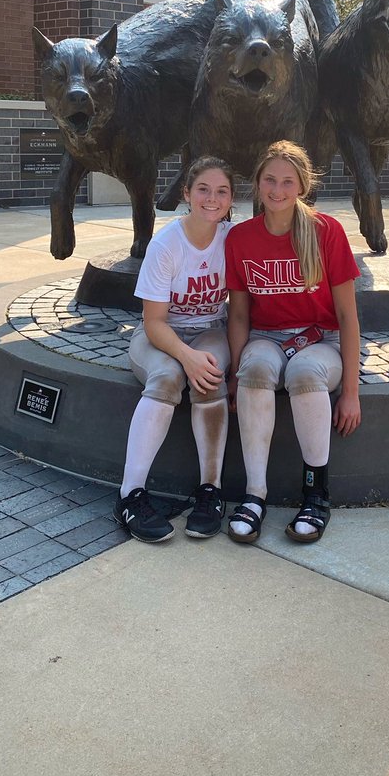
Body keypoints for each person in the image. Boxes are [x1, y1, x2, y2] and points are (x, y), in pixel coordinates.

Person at [224, 140, 362, 546]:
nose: (277, 189)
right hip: (266, 337)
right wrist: (234, 374)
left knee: (303, 373)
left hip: (322, 339)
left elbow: (348, 316)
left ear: (302, 185)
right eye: (270, 180)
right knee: (255, 369)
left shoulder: (326, 232)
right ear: (257, 183)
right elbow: (238, 315)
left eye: (287, 181)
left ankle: (316, 494)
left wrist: (350, 392)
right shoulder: (240, 238)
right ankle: (254, 495)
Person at [114, 157, 235, 543]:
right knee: (168, 377)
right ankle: (130, 495)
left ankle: (211, 491)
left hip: (210, 329)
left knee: (210, 373)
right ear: (186, 193)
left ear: (231, 199)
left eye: (221, 191)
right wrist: (186, 357)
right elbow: (154, 322)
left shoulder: (232, 239)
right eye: (203, 189)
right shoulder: (166, 244)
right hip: (161, 332)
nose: (212, 198)